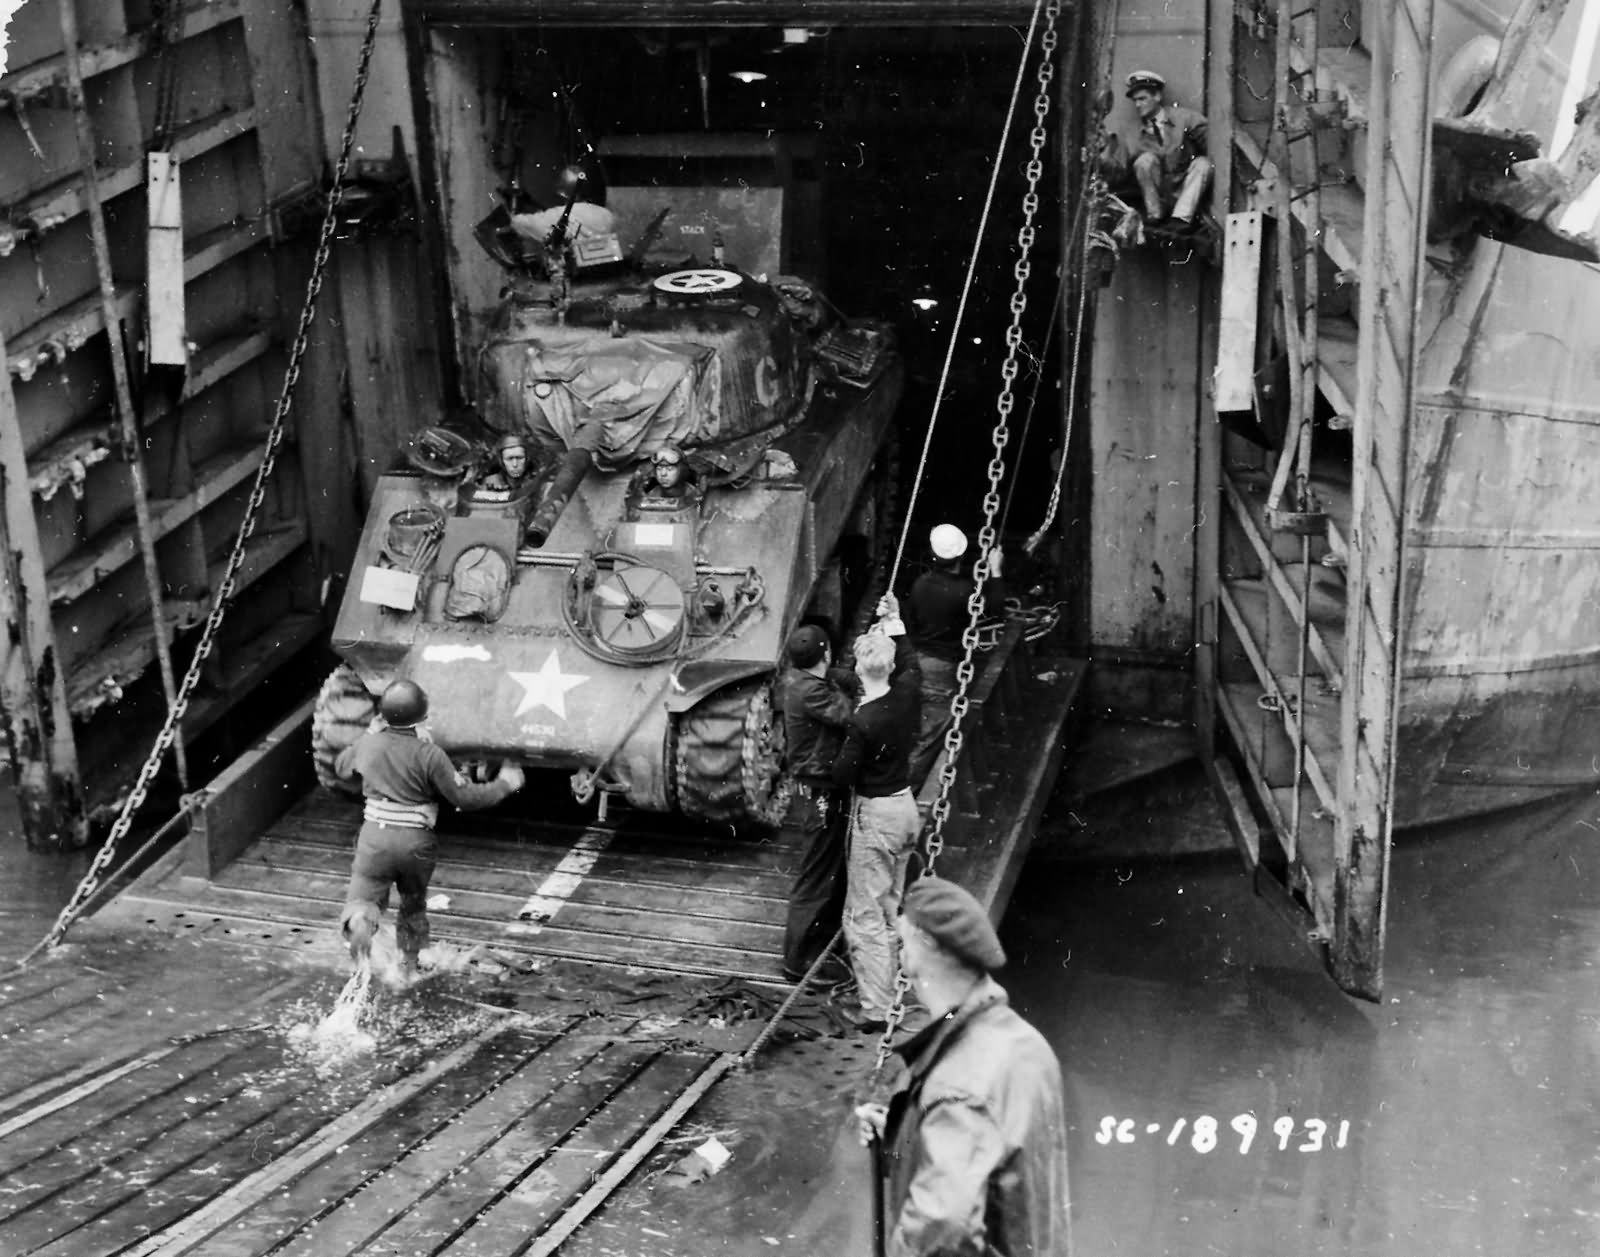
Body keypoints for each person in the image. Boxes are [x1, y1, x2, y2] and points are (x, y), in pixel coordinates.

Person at [855, 876, 1070, 1257]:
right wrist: (902, 1130)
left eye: (904, 944)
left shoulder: (958, 1087)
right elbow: (997, 1162)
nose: (902, 960)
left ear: (927, 947)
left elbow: (941, 1227)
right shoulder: (1026, 1044)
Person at [335, 679, 525, 981]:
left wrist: (369, 735)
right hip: (415, 841)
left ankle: (360, 922)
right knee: (412, 904)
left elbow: (341, 766)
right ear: (423, 716)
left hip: (375, 837)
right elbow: (465, 798)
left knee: (364, 895)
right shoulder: (430, 754)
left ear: (382, 713)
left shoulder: (369, 743)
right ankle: (408, 968)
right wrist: (505, 783)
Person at [832, 611, 923, 1032]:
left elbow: (842, 777)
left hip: (877, 817)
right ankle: (894, 991)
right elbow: (913, 664)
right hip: (906, 807)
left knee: (865, 915)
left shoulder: (862, 722)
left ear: (857, 669)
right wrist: (896, 623)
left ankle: (875, 1008)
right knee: (890, 906)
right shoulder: (906, 694)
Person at [776, 624, 858, 983]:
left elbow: (836, 681)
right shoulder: (814, 693)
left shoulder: (797, 680)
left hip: (819, 791)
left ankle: (819, 946)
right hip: (819, 794)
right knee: (816, 876)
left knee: (827, 867)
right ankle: (797, 961)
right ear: (825, 654)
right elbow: (848, 714)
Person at [903, 524, 1003, 785]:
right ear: (961, 556)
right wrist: (995, 570)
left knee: (915, 731)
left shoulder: (920, 584)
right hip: (941, 669)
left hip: (915, 662)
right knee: (931, 737)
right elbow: (994, 611)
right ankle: (905, 791)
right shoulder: (964, 592)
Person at [1124, 70, 1212, 225]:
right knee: (1144, 161)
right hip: (1159, 196)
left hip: (1185, 192)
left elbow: (1212, 140)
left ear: (1157, 96)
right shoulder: (1133, 133)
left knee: (1204, 163)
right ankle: (1155, 216)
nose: (1137, 105)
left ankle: (1180, 219)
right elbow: (1120, 170)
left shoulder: (1184, 118)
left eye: (1142, 99)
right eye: (1135, 100)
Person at [509, 164, 617, 248]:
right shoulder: (607, 215)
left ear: (562, 192)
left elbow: (520, 224)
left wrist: (513, 216)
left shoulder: (557, 215)